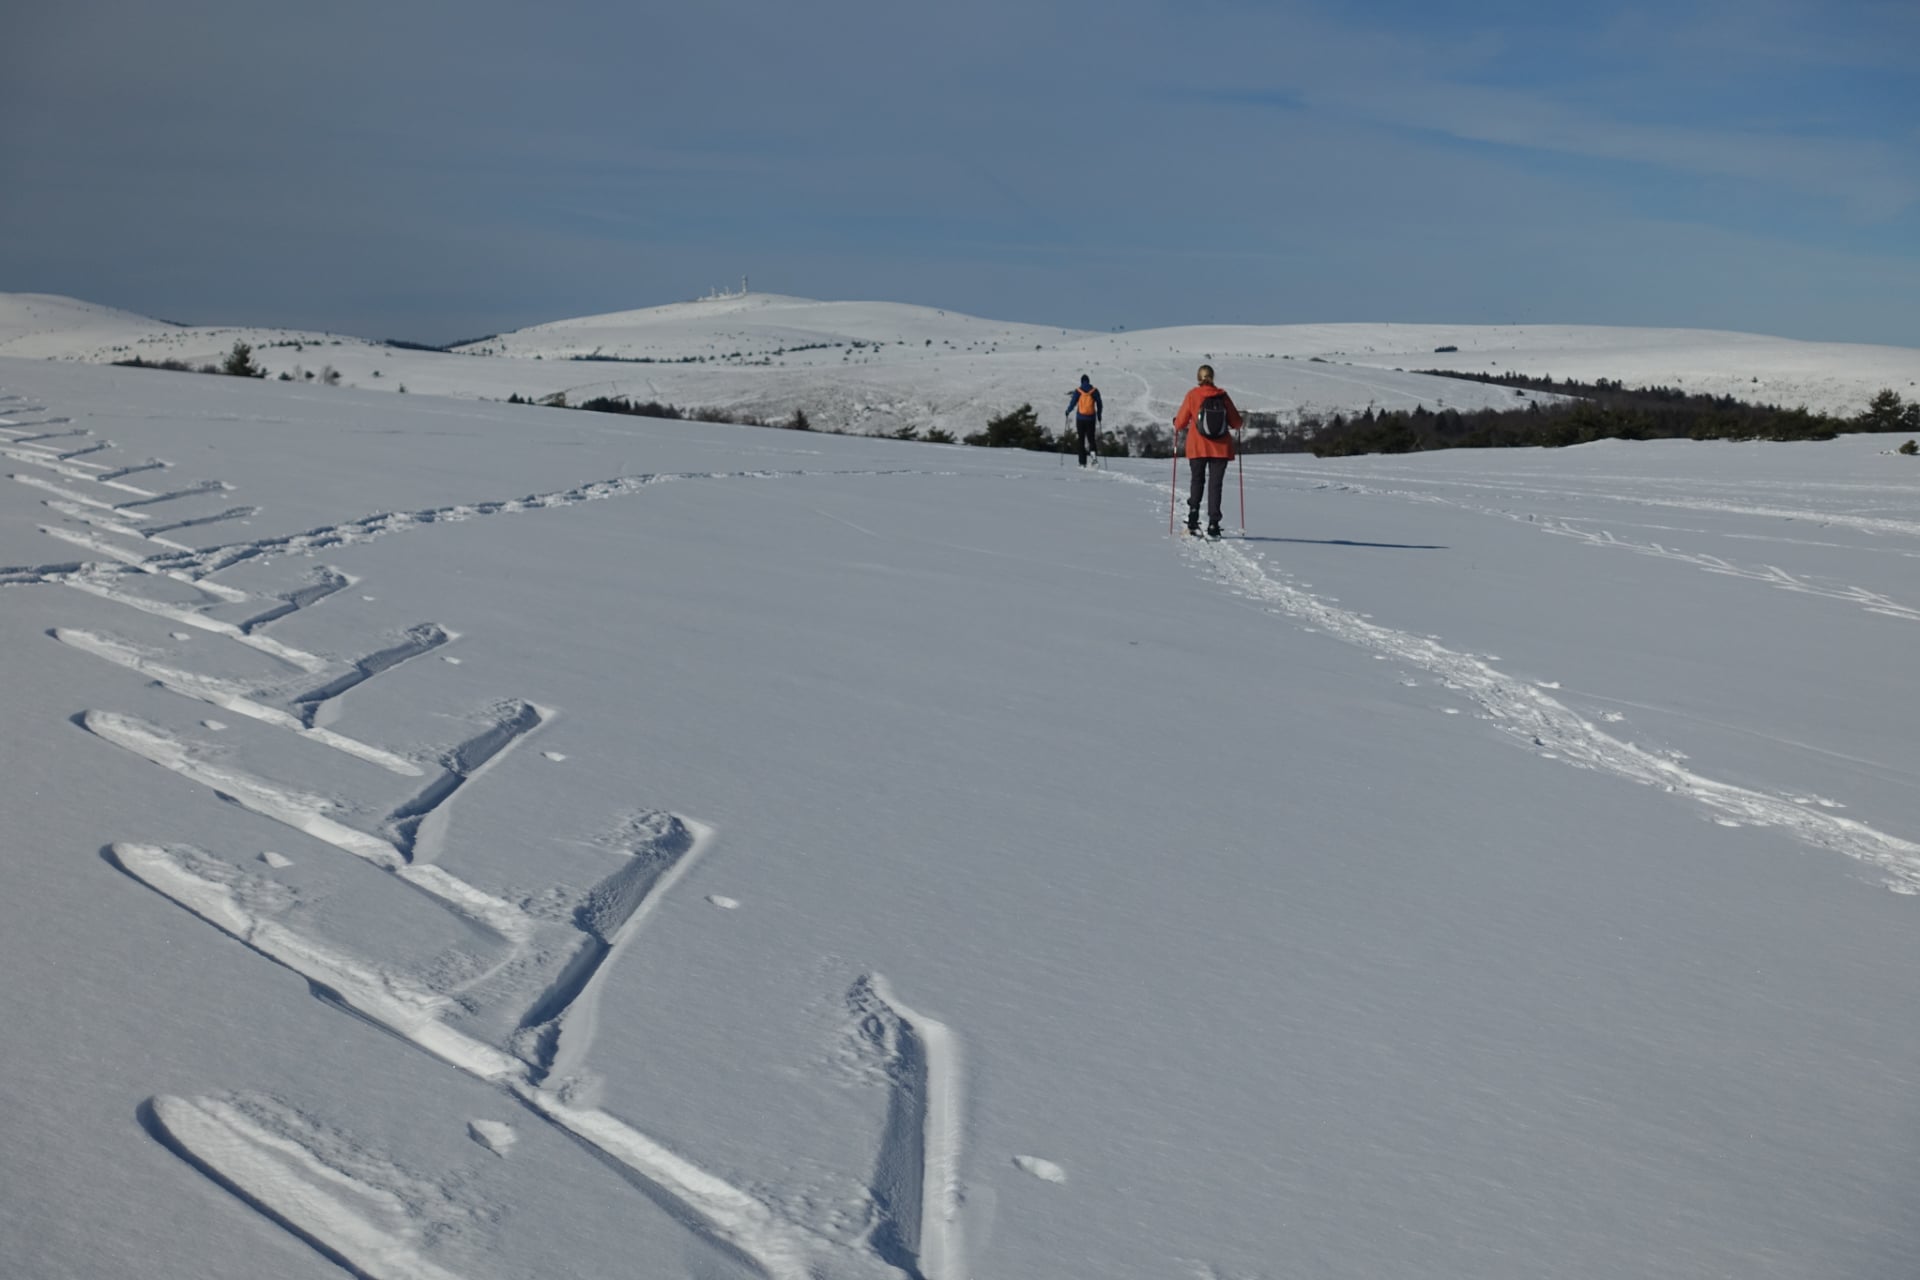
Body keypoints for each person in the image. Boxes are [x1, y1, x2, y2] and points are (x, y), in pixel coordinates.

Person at [1172, 364, 1242, 537]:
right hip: (1220, 448)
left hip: (1197, 446)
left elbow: (1180, 424)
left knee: (1197, 481)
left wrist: (1175, 422)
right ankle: (1213, 524)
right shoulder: (1223, 396)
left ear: (1198, 378)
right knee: (1215, 485)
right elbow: (1237, 423)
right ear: (1213, 377)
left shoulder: (1192, 395)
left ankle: (1193, 519)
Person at [1065, 374, 1103, 466]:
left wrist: (1068, 411)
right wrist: (1099, 415)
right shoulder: (1094, 391)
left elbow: (1073, 403)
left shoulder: (1078, 391)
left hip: (1080, 418)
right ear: (1088, 381)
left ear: (1081, 381)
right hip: (1091, 418)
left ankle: (1082, 462)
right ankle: (1093, 458)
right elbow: (1099, 403)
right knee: (1091, 439)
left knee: (1081, 439)